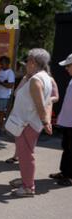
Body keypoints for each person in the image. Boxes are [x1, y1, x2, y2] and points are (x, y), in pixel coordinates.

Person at [8, 49, 53, 197]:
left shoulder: (36, 79)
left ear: (33, 62)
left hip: (27, 123)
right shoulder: (42, 77)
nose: (26, 63)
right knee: (26, 154)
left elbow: (40, 104)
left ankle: (28, 187)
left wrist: (45, 121)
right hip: (28, 123)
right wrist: (45, 121)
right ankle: (26, 180)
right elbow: (45, 102)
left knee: (26, 156)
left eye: (27, 60)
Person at [49, 53, 72, 186]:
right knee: (67, 148)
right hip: (68, 122)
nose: (66, 69)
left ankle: (70, 176)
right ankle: (64, 172)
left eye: (68, 66)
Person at [0, 56, 15, 136]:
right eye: (1, 63)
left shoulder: (10, 73)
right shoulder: (0, 71)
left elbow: (10, 85)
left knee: (1, 114)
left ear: (7, 63)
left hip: (4, 97)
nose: (1, 65)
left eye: (3, 63)